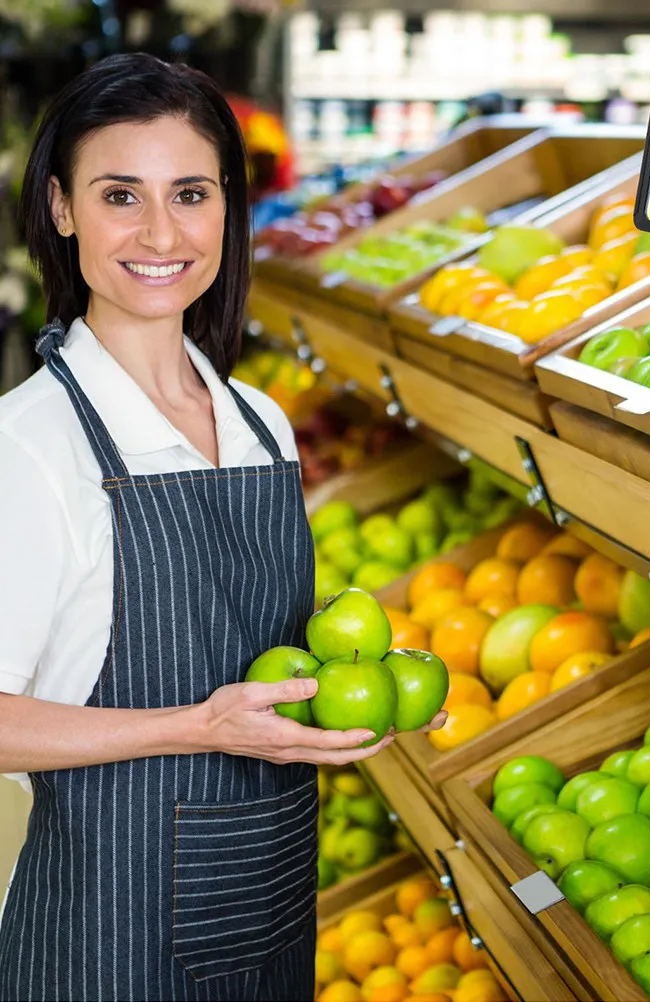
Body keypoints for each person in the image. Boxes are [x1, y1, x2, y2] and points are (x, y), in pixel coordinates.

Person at [0, 53, 442, 1002]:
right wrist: (198, 726)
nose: (161, 232)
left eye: (191, 193)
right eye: (122, 194)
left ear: (229, 209)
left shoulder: (259, 424)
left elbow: (269, 661)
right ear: (62, 207)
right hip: (105, 944)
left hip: (270, 919)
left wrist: (364, 694)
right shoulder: (27, 447)